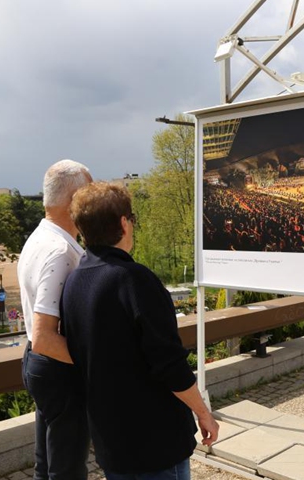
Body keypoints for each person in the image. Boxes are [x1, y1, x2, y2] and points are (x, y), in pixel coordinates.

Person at [61, 182, 219, 480]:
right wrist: (203, 412)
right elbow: (169, 364)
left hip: (111, 441)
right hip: (154, 441)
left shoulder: (74, 282)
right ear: (124, 222)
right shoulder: (134, 280)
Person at [17, 159, 92, 479]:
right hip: (58, 368)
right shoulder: (60, 251)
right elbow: (46, 335)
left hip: (38, 362)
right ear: (74, 199)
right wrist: (96, 364)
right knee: (67, 468)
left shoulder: (39, 237)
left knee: (47, 463)